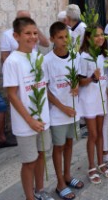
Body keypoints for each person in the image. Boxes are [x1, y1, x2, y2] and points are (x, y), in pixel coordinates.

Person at [3, 17, 54, 200]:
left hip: (43, 119)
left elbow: (43, 87)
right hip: (26, 123)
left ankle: (40, 191)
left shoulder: (38, 57)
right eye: (27, 33)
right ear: (16, 36)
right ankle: (29, 197)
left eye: (35, 33)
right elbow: (12, 95)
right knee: (29, 162)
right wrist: (30, 120)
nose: (33, 37)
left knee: (41, 156)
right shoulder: (12, 61)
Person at [45, 22, 84, 199]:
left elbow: (77, 77)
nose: (64, 40)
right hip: (58, 113)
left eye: (66, 37)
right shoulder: (46, 60)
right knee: (58, 147)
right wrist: (63, 108)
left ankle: (67, 175)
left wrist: (76, 84)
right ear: (52, 39)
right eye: (60, 37)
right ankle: (60, 183)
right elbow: (45, 89)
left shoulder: (75, 56)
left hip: (73, 111)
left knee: (69, 144)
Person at [78, 25, 108, 184]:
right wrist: (92, 77)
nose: (100, 38)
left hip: (101, 98)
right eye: (96, 35)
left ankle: (101, 163)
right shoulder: (83, 57)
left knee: (100, 132)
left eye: (101, 35)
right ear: (88, 38)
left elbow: (104, 79)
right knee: (92, 134)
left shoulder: (102, 56)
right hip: (89, 100)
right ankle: (91, 166)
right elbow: (80, 81)